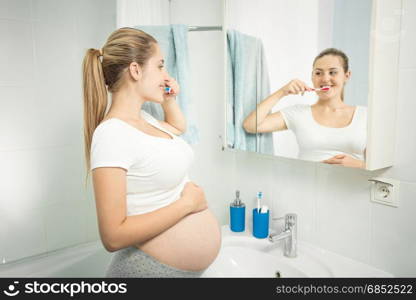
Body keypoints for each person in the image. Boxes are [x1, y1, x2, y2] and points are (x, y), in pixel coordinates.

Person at [82, 27, 221, 278]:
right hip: (148, 271)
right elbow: (113, 236)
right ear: (135, 70)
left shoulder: (145, 119)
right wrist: (188, 204)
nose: (166, 75)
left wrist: (169, 100)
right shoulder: (112, 134)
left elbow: (177, 128)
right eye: (160, 66)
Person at [243, 48, 366, 169]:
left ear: (347, 75)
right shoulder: (299, 113)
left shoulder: (365, 116)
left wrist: (361, 165)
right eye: (318, 73)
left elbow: (382, 165)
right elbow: (250, 125)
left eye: (332, 72)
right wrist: (282, 92)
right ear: (312, 77)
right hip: (307, 186)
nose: (325, 78)